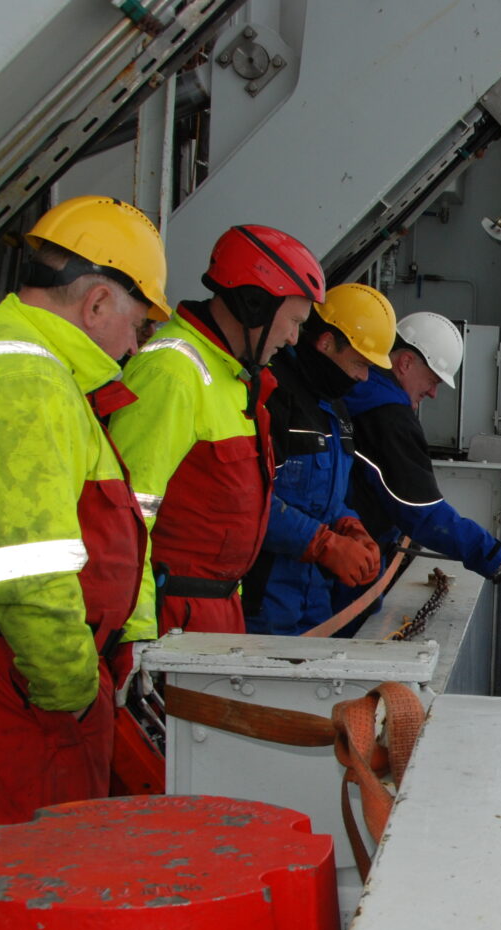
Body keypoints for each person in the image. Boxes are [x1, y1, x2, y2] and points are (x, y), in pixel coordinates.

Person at [0, 195, 168, 859]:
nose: (136, 345)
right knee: (28, 890)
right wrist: (73, 693)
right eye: (138, 323)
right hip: (11, 688)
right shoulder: (29, 381)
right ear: (98, 302)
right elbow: (27, 571)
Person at [110, 224, 325, 639]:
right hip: (168, 621)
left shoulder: (232, 379)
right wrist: (135, 637)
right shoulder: (171, 373)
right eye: (294, 321)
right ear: (255, 305)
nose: (295, 339)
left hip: (214, 614)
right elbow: (127, 517)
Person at [337, 311, 501, 627]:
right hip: (345, 572)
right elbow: (421, 512)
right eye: (433, 380)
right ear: (405, 363)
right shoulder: (388, 417)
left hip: (344, 555)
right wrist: (493, 557)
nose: (433, 393)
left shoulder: (353, 397)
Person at [243, 283, 393, 635]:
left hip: (313, 601)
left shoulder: (334, 406)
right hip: (261, 603)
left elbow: (327, 498)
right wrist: (324, 544)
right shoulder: (270, 393)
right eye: (359, 363)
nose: (363, 377)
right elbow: (247, 500)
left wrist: (350, 527)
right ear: (326, 343)